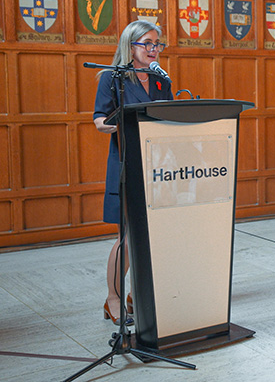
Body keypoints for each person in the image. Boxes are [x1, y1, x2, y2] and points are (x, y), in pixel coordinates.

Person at [93, 20, 173, 325]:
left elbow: (169, 115)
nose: (154, 49)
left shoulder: (160, 80)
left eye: (157, 44)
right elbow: (100, 120)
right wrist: (124, 124)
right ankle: (113, 299)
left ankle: (135, 296)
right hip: (127, 163)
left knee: (153, 236)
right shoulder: (111, 78)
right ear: (131, 45)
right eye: (147, 43)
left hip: (158, 165)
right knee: (127, 236)